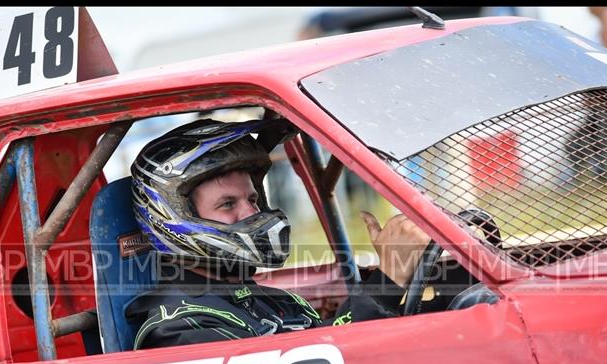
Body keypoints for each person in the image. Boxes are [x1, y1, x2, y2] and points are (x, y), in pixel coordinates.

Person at [125, 118, 431, 350]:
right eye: (228, 203)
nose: (251, 214)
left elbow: (332, 343)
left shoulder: (279, 301)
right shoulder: (179, 328)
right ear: (176, 217)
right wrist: (387, 281)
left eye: (253, 199)